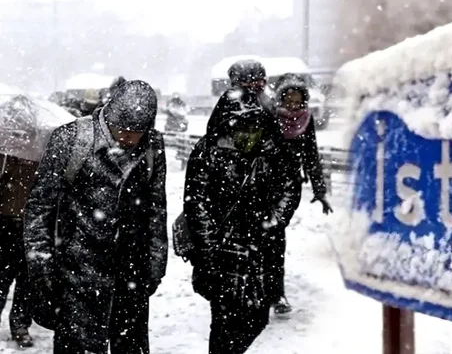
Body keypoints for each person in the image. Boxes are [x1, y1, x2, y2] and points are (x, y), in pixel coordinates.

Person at [24, 80, 168, 354]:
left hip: (130, 272)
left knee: (131, 347)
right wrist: (40, 266)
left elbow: (156, 208)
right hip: (75, 273)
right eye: (121, 131)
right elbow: (40, 206)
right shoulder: (71, 139)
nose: (126, 139)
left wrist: (155, 265)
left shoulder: (152, 146)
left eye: (135, 133)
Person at [184, 87, 297, 354]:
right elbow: (195, 204)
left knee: (258, 317)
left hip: (260, 248)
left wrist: (273, 222)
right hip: (222, 252)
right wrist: (209, 250)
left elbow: (289, 187)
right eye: (240, 125)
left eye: (253, 126)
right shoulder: (207, 153)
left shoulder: (272, 151)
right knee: (225, 323)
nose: (247, 134)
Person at [269, 73, 333, 315]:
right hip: (265, 187)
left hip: (289, 187)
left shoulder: (307, 121)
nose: (293, 105)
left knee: (275, 234)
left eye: (298, 100)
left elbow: (311, 156)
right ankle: (262, 289)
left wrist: (320, 190)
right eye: (289, 100)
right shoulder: (270, 118)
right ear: (281, 100)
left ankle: (276, 295)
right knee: (263, 238)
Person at [0, 153, 36, 347]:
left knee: (27, 280)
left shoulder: (46, 159)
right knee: (2, 276)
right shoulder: (7, 154)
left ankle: (20, 326)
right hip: (5, 222)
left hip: (31, 225)